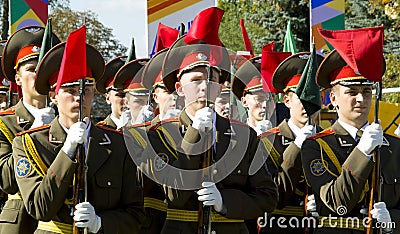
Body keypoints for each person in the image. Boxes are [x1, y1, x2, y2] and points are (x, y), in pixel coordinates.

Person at [145, 7, 278, 234]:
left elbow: (267, 197)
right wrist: (194, 133)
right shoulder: (160, 135)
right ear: (179, 88)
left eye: (212, 78)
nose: (206, 86)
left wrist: (224, 201)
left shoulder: (243, 135)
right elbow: (174, 193)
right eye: (196, 80)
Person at [13, 41, 144, 233]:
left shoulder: (119, 144)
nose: (78, 97)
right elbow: (39, 207)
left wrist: (100, 223)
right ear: (53, 96)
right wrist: (68, 150)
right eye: (69, 91)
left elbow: (136, 214)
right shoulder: (30, 143)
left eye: (86, 90)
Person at [301, 45, 400, 233]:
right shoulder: (316, 146)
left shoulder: (394, 146)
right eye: (352, 92)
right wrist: (362, 151)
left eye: (367, 91)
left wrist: (393, 221)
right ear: (333, 98)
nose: (361, 99)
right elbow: (337, 202)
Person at [0, 26, 60, 234]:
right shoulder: (4, 124)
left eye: (45, 69)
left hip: (59, 222)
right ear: (17, 78)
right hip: (20, 222)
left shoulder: (68, 120)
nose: (39, 75)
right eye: (32, 69)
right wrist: (33, 133)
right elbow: (5, 181)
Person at [257, 52, 322, 233]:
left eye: (313, 96)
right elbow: (272, 195)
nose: (307, 104)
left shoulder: (329, 140)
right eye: (301, 97)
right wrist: (297, 146)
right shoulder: (268, 141)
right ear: (287, 100)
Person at [232, 56, 276, 135]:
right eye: (259, 99)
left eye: (270, 98)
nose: (265, 105)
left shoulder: (285, 137)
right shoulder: (235, 135)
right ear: (244, 102)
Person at [141, 48, 180, 125]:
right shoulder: (147, 133)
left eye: (179, 91)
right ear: (156, 97)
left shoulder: (197, 128)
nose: (175, 96)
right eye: (168, 91)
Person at [113, 58, 152, 126]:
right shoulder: (119, 135)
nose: (146, 107)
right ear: (126, 102)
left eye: (151, 102)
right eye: (139, 101)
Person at [96, 56, 127, 129]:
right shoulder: (100, 133)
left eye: (132, 95)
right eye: (121, 95)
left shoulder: (147, 131)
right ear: (108, 98)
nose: (127, 100)